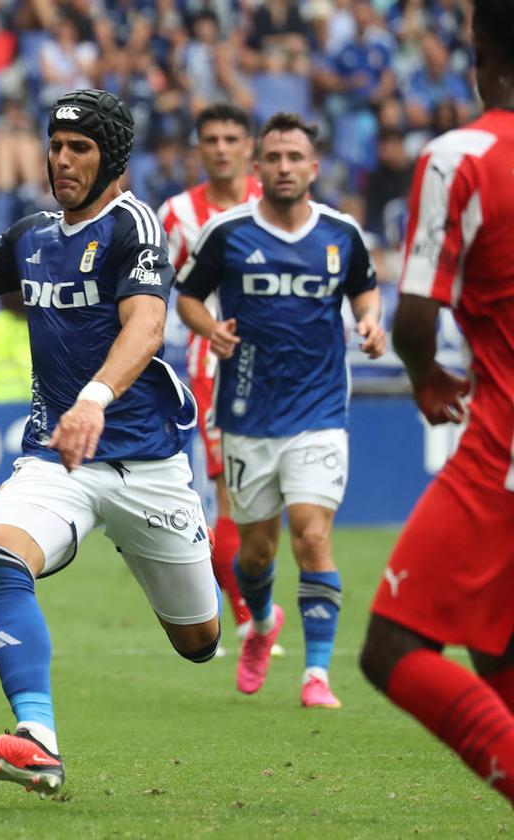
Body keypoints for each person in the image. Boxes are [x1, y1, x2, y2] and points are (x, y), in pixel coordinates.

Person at [0, 88, 220, 796]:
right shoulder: (34, 236)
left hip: (146, 463)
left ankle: (174, 565)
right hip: (59, 455)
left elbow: (146, 328)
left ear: (113, 157)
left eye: (79, 148)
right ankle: (38, 737)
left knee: (199, 642)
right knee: (0, 553)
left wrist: (94, 398)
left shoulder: (133, 228)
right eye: (56, 146)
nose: (61, 160)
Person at [175, 112, 387, 708]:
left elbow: (364, 286)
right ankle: (263, 625)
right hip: (245, 412)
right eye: (274, 158)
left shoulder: (341, 234)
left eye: (295, 158)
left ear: (313, 168)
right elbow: (187, 295)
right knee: (257, 551)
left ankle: (316, 675)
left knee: (311, 535)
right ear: (258, 166)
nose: (285, 167)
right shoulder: (227, 232)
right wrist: (209, 326)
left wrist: (371, 321)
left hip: (319, 410)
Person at [358, 0, 514, 805]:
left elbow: (415, 313)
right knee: (501, 655)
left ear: (477, 45)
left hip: (504, 451)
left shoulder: (463, 155)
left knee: (391, 646)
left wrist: (423, 376)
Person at [158, 103, 264, 656]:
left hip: (283, 370)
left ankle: (252, 612)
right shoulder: (174, 214)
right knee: (224, 498)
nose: (222, 148)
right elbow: (149, 285)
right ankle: (245, 618)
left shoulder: (274, 206)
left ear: (249, 145)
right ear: (198, 149)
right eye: (212, 139)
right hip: (214, 369)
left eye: (231, 137)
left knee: (268, 507)